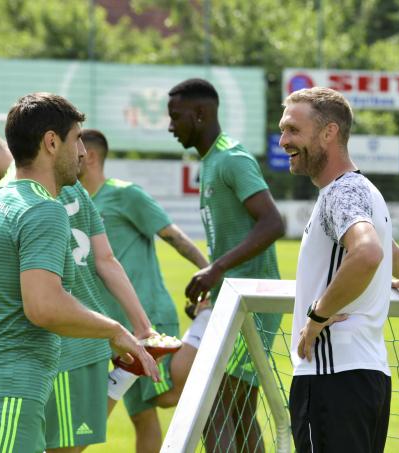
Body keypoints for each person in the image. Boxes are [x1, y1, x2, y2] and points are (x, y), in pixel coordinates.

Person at [0, 93, 159, 453]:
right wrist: (115, 329)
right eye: (77, 141)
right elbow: (43, 307)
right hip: (10, 395)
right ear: (52, 142)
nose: (84, 153)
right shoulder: (44, 209)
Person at [278, 87, 399, 453]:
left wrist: (317, 316)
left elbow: (368, 253)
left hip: (331, 377)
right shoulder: (364, 190)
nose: (283, 140)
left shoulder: (340, 192)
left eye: (292, 130)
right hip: (368, 378)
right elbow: (390, 250)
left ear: (329, 132)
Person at [167, 78, 285, 452]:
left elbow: (273, 222)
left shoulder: (231, 157)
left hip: (252, 303)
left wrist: (215, 270)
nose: (171, 127)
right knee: (237, 411)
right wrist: (211, 291)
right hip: (231, 301)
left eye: (176, 117)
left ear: (200, 114)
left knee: (214, 404)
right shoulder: (210, 162)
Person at [79, 128, 209, 453]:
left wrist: (211, 276)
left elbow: (174, 236)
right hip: (108, 327)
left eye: (75, 148)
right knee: (142, 416)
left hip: (148, 319)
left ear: (90, 156)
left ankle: (211, 352)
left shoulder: (125, 194)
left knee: (166, 396)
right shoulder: (76, 204)